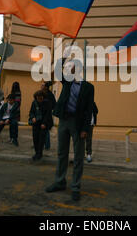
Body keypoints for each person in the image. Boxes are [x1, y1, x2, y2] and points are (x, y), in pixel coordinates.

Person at [45, 59, 95, 202]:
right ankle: (60, 182)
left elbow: (89, 109)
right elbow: (55, 72)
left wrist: (85, 128)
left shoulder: (88, 87)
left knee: (78, 157)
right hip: (64, 121)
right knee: (62, 153)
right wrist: (62, 59)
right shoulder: (67, 82)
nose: (69, 69)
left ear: (78, 69)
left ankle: (75, 187)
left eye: (72, 67)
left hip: (78, 124)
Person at [29, 90, 53, 161]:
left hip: (43, 123)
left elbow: (48, 114)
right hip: (36, 123)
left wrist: (44, 123)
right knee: (35, 138)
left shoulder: (47, 103)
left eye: (40, 98)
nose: (39, 100)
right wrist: (32, 117)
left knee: (41, 140)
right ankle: (36, 153)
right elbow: (31, 112)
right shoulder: (34, 103)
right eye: (38, 98)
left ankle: (39, 153)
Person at [41, 81, 56, 150]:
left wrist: (49, 108)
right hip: (41, 114)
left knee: (46, 130)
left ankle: (47, 145)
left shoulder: (50, 95)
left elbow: (54, 104)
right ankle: (40, 144)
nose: (41, 87)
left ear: (46, 87)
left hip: (47, 115)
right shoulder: (40, 93)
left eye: (43, 85)